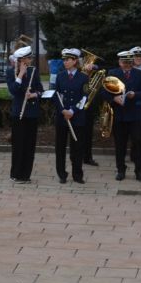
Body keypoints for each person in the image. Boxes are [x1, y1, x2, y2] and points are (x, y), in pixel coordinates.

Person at [105, 50, 141, 182]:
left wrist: (135, 95)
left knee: (137, 143)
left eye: (129, 63)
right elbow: (104, 92)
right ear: (119, 62)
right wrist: (113, 99)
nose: (127, 65)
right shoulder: (113, 73)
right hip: (119, 115)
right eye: (124, 62)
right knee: (120, 144)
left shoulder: (139, 74)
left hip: (135, 115)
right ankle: (121, 170)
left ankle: (139, 171)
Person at [8, 45, 44, 183]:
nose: (30, 60)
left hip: (32, 113)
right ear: (21, 60)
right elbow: (13, 90)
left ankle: (26, 175)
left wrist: (34, 95)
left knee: (29, 145)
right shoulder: (11, 72)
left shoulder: (34, 71)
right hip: (18, 113)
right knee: (18, 144)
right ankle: (16, 173)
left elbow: (41, 90)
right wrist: (20, 75)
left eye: (30, 58)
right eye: (28, 58)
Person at [53, 48, 88, 184]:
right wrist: (63, 110)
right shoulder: (60, 76)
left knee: (77, 147)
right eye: (64, 60)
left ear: (74, 61)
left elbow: (84, 97)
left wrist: (72, 111)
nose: (65, 62)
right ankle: (62, 174)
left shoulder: (83, 77)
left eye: (67, 60)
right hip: (62, 117)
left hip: (77, 117)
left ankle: (77, 174)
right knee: (60, 147)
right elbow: (56, 95)